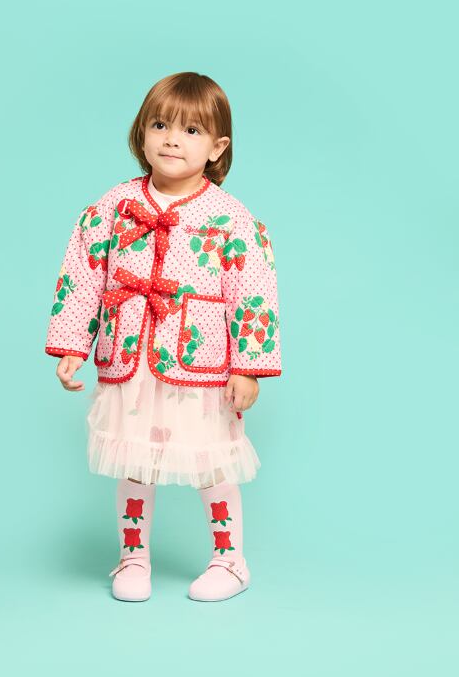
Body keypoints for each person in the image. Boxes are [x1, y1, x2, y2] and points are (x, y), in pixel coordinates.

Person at [45, 71, 282, 602]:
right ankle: (133, 557)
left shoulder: (231, 218)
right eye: (160, 125)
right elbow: (83, 273)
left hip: (200, 364)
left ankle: (230, 560)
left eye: (191, 131)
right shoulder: (113, 206)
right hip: (131, 358)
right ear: (141, 133)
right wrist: (72, 344)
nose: (172, 139)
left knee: (211, 460)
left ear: (217, 147)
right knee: (134, 461)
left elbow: (254, 293)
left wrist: (248, 367)